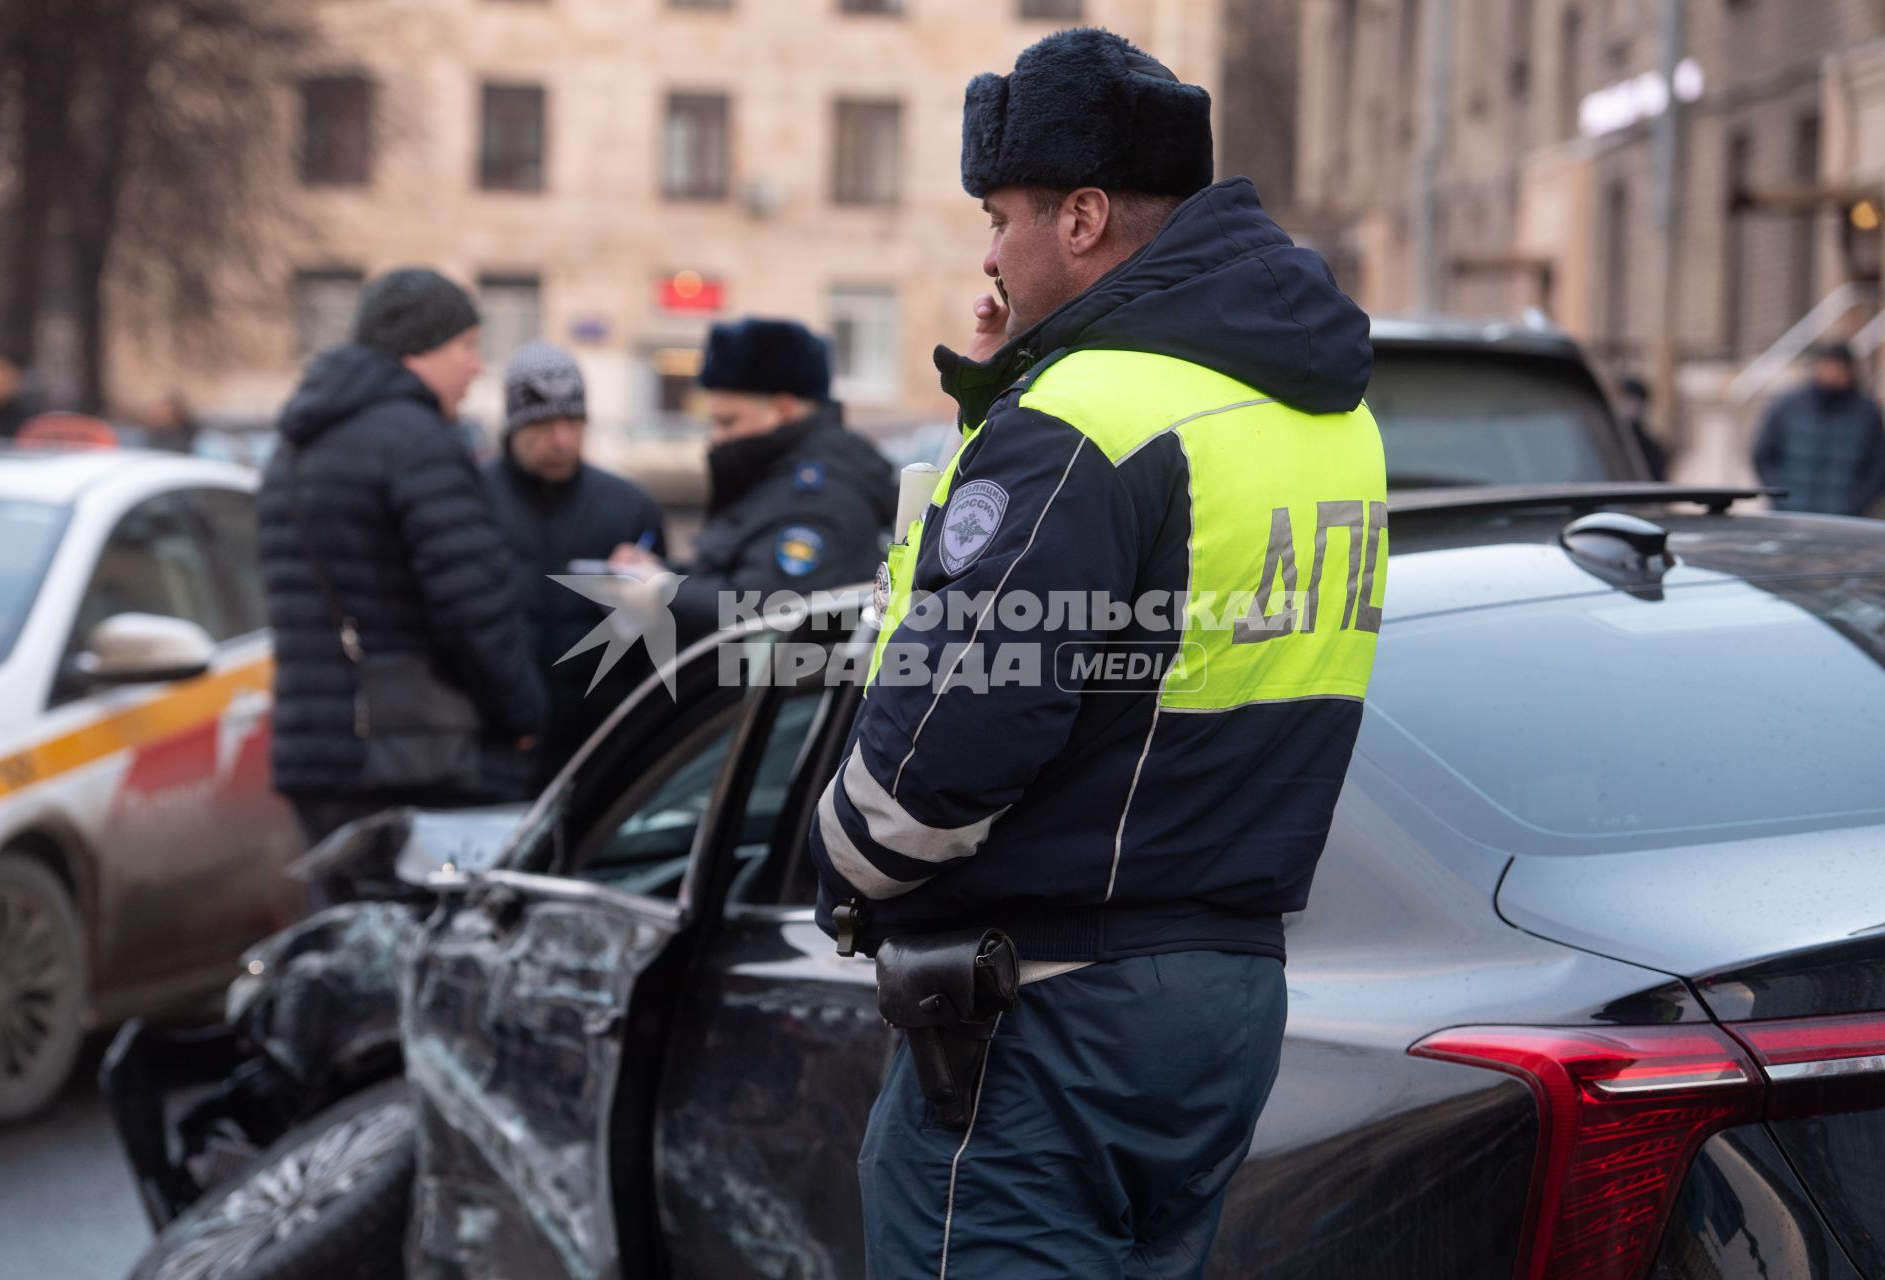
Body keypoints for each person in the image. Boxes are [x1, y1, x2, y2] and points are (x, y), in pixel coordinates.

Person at [807, 29, 1385, 1278]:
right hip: (1220, 1004)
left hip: (1048, 1011)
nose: (990, 250)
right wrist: (1009, 394)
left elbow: (951, 737)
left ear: (1080, 216)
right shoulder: (1318, 408)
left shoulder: (1086, 414)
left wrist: (842, 861)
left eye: (1002, 214)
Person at [257, 267, 545, 847]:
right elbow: (472, 609)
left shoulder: (294, 446)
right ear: (416, 351)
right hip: (416, 753)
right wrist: (524, 715)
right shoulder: (418, 444)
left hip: (316, 749)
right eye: (465, 346)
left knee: (344, 925)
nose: (476, 365)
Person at [606, 318, 896, 639]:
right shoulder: (775, 473)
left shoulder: (819, 497)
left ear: (783, 408)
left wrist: (662, 590)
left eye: (728, 422)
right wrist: (661, 572)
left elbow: (764, 608)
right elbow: (736, 570)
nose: (716, 437)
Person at [482, 340, 668, 784]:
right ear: (512, 427)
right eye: (544, 425)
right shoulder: (471, 500)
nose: (562, 439)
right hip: (492, 749)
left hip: (598, 753)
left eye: (573, 422)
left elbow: (660, 638)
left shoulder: (627, 507)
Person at [1753, 342, 1885, 516]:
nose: (1831, 373)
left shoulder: (1866, 412)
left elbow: (1877, 465)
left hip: (1843, 517)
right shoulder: (1788, 406)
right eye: (1826, 366)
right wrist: (1781, 496)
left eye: (1837, 367)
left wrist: (1857, 502)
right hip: (1791, 514)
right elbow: (1763, 455)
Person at [1617, 374, 1669, 480]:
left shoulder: (1652, 449)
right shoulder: (1608, 440)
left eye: (1635, 400)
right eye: (1626, 398)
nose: (1630, 405)